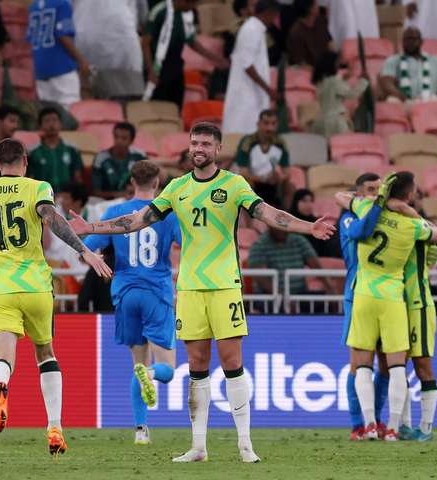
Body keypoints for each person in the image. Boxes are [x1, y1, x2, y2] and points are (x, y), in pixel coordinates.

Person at [68, 122, 335, 462]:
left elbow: (268, 214)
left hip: (224, 285)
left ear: (218, 149)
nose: (199, 148)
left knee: (232, 362)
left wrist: (308, 226)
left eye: (206, 144)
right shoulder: (177, 188)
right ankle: (198, 447)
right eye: (195, 142)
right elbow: (137, 220)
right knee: (196, 365)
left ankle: (245, 444)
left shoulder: (234, 184)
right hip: (190, 288)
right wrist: (91, 227)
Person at [0, 138, 111, 456]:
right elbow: (52, 219)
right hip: (36, 286)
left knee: (3, 358)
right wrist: (84, 250)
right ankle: (55, 427)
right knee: (46, 354)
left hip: (1, 289)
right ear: (25, 160)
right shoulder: (38, 188)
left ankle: (0, 385)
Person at [83, 161, 180, 445]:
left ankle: (140, 430)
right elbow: (189, 244)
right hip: (157, 293)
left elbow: (86, 248)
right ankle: (150, 373)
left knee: (138, 362)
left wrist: (97, 260)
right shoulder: (167, 214)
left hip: (125, 294)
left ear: (131, 182)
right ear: (158, 182)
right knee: (166, 369)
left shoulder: (115, 213)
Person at [346, 172, 437, 442]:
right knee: (397, 365)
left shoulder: (366, 209)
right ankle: (394, 427)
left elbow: (341, 197)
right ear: (409, 196)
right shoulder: (412, 226)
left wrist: (378, 200)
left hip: (368, 295)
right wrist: (406, 210)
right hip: (396, 299)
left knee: (365, 364)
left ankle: (373, 425)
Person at [334, 173, 392, 441]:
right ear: (357, 195)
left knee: (386, 363)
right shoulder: (348, 218)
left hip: (385, 297)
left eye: (379, 190)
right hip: (357, 295)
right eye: (370, 189)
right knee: (358, 364)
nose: (376, 194)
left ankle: (376, 420)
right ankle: (358, 424)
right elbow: (364, 231)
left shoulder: (385, 218)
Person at [143, 0, 228, 107]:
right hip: (157, 68)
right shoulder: (159, 12)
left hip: (176, 68)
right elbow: (145, 43)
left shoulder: (187, 15)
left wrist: (214, 58)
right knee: (158, 106)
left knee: (176, 106)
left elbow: (191, 41)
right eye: (191, 3)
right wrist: (151, 70)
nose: (193, 7)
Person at [222, 0, 279, 135]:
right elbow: (247, 65)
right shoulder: (251, 30)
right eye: (274, 16)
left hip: (253, 92)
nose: (274, 21)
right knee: (241, 131)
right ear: (268, 13)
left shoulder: (256, 29)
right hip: (246, 94)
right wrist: (267, 89)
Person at [73, 0, 144, 99]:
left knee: (87, 98)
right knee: (125, 99)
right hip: (123, 44)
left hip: (85, 42)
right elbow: (143, 15)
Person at [27, 0, 89, 109]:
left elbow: (29, 39)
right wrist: (81, 61)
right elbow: (64, 36)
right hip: (62, 68)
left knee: (49, 112)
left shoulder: (33, 6)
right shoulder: (62, 4)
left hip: (41, 70)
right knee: (69, 111)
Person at [247, 224, 335, 300]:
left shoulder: (299, 241)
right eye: (278, 226)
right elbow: (261, 278)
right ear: (270, 225)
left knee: (328, 301)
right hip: (269, 297)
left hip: (299, 294)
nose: (282, 230)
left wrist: (329, 287)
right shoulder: (259, 245)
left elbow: (316, 266)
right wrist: (283, 297)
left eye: (284, 226)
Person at [233, 109, 293, 206]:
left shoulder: (280, 143)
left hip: (272, 182)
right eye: (266, 123)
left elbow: (287, 172)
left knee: (290, 186)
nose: (270, 128)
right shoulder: (248, 142)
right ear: (258, 124)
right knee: (247, 184)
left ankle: (285, 214)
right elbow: (243, 172)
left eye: (273, 124)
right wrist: (263, 179)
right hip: (253, 180)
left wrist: (279, 178)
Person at [311, 51, 369, 138]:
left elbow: (332, 91)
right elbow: (352, 94)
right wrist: (364, 81)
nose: (338, 65)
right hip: (335, 122)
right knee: (342, 145)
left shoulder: (320, 82)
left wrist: (343, 80)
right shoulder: (334, 81)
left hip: (320, 120)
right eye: (336, 63)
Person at [27, 107, 84, 191]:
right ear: (40, 126)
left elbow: (77, 178)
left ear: (61, 124)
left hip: (67, 196)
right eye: (47, 121)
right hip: (42, 195)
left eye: (55, 120)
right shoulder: (32, 152)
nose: (51, 124)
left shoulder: (72, 149)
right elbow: (29, 180)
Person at [91, 122, 147, 199]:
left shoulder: (139, 156)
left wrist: (135, 191)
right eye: (116, 137)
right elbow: (95, 192)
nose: (119, 141)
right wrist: (119, 194)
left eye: (124, 138)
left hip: (134, 198)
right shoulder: (100, 158)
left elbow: (148, 184)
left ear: (131, 141)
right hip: (107, 201)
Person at [290, 188, 340, 257]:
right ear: (296, 202)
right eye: (304, 201)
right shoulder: (290, 222)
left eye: (311, 201)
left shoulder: (316, 223)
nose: (308, 205)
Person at [287, 0, 333, 68]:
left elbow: (330, 43)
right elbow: (301, 63)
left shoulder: (321, 20)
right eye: (315, 3)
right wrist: (318, 71)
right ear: (310, 9)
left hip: (328, 66)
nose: (318, 5)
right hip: (309, 70)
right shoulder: (296, 33)